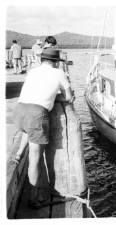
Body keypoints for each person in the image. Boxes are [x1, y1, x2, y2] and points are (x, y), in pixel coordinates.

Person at [12, 48, 74, 208]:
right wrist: (55, 98)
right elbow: (68, 97)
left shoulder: (32, 71)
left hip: (19, 111)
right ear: (55, 62)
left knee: (29, 131)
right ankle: (34, 198)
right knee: (35, 160)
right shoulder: (59, 72)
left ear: (41, 60)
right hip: (36, 114)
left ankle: (18, 153)